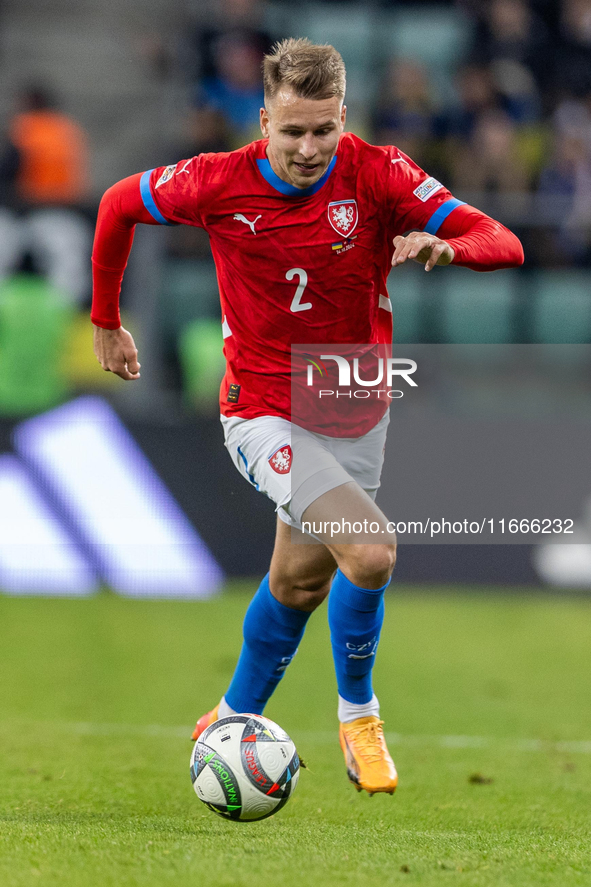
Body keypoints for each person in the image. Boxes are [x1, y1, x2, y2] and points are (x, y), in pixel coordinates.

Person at [91, 38, 523, 796]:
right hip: (261, 407)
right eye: (291, 131)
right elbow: (118, 204)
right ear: (263, 121)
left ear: (342, 118)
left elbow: (504, 239)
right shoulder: (214, 181)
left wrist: (447, 248)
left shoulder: (380, 172)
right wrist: (105, 318)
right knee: (372, 551)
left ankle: (228, 715)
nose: (308, 148)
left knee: (297, 582)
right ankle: (359, 716)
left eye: (323, 130)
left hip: (350, 401)